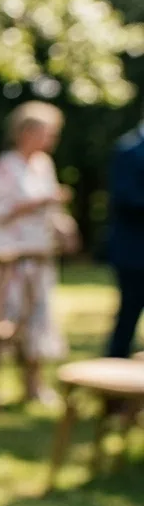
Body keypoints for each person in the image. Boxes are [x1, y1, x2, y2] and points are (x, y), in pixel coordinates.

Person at [0, 101, 72, 404]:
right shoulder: (4, 167)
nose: (52, 140)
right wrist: (36, 203)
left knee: (37, 319)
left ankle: (33, 386)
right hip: (6, 259)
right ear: (27, 132)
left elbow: (52, 207)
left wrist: (65, 228)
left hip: (38, 256)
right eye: (48, 133)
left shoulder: (44, 164)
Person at [105, 120, 144, 358]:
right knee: (128, 315)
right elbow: (124, 197)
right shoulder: (127, 149)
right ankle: (115, 380)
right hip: (134, 251)